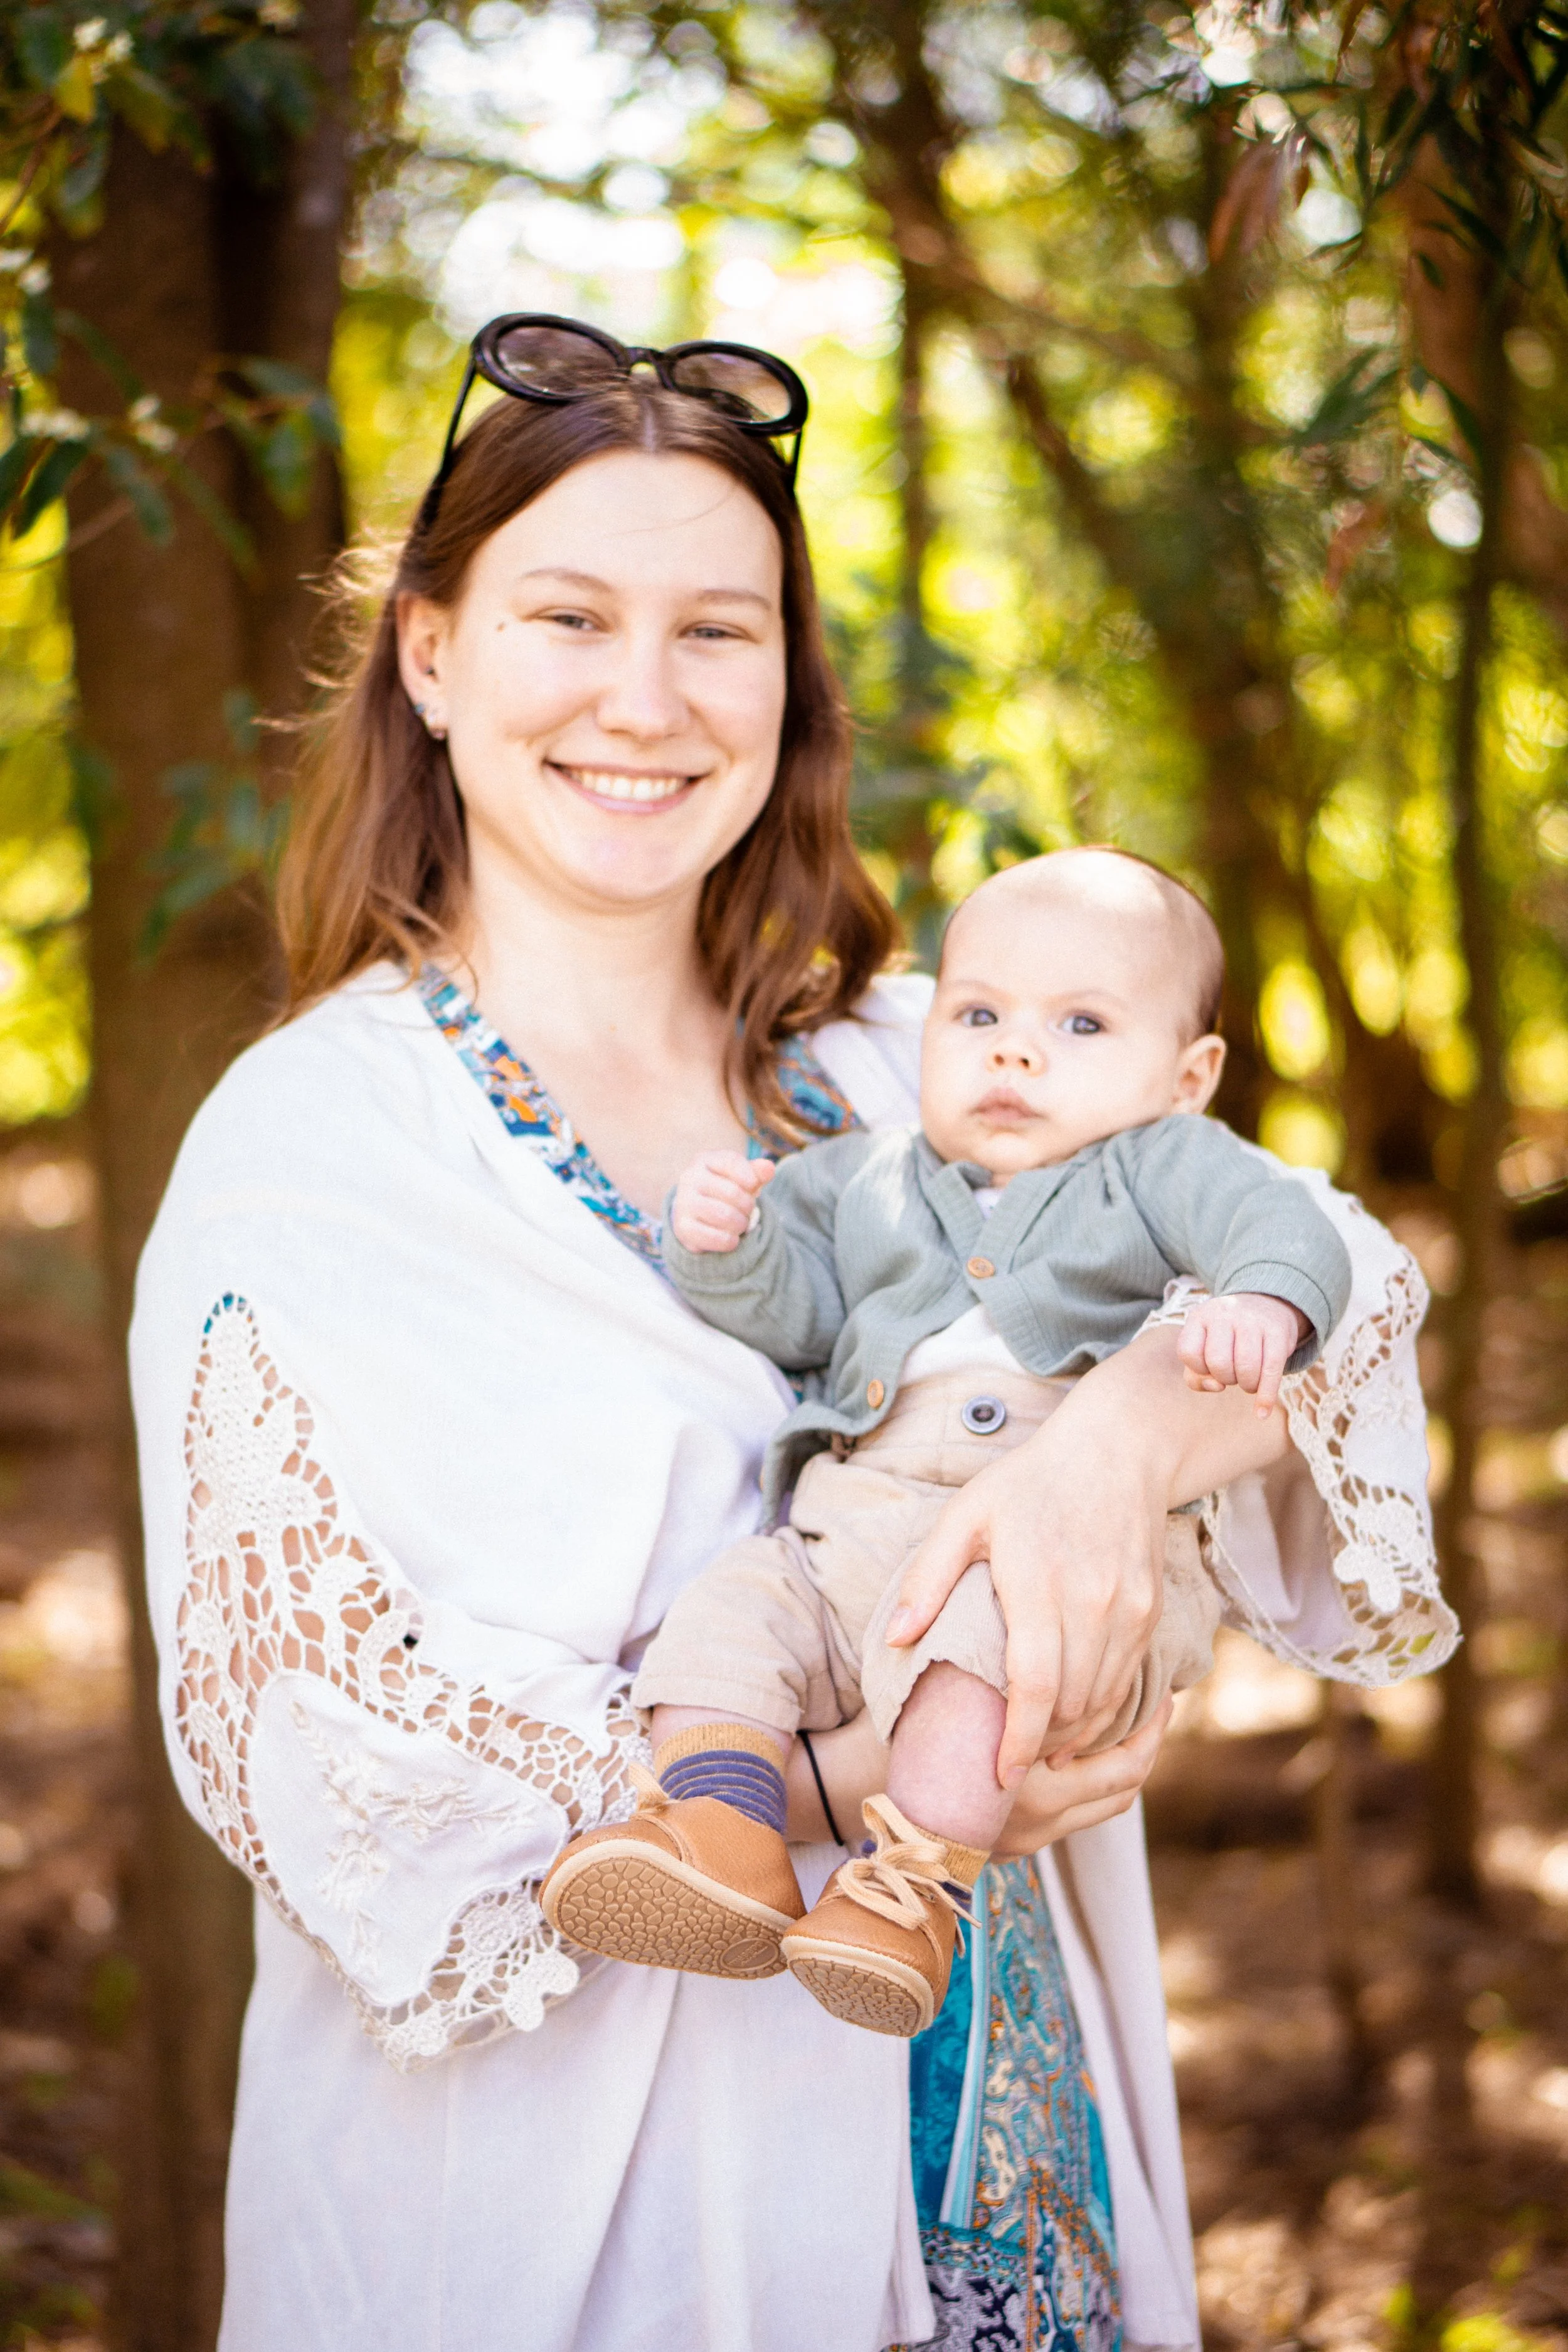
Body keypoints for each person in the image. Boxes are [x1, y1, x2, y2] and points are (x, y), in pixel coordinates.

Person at [129, 313, 1456, 2352]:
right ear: (428, 651)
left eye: (718, 632)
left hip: (1009, 2142)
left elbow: (1347, 1273)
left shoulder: (914, 1054)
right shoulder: (316, 1145)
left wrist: (1110, 1456)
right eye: (570, 615)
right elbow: (331, 1757)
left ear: (787, 681)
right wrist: (901, 1769)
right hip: (594, 2208)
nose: (644, 702)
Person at [543, 847, 1354, 2040]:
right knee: (736, 1610)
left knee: (994, 1652)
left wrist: (1261, 1304)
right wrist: (727, 1248)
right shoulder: (866, 1176)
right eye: (978, 1014)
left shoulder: (1163, 1165)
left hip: (1054, 1550)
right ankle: (718, 1824)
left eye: (1082, 1023)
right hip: (853, 1520)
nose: (1016, 1051)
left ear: (1189, 1076)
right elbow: (802, 1314)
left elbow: (1289, 1227)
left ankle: (912, 1889)